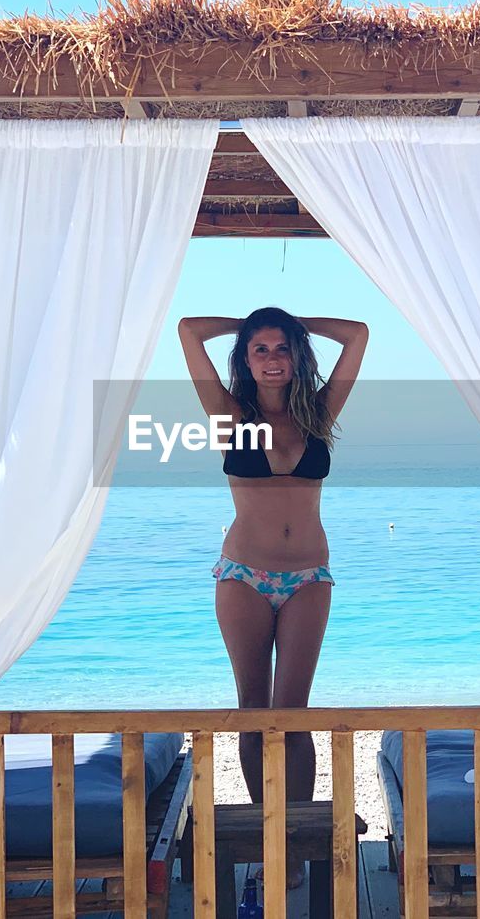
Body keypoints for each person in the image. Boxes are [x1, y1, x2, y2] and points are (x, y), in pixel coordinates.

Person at [178, 307, 368, 882]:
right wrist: (253, 320)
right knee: (253, 712)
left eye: (282, 347)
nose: (271, 357)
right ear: (244, 359)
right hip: (244, 577)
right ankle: (267, 841)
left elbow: (358, 335)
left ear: (297, 355)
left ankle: (297, 839)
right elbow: (189, 330)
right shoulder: (229, 414)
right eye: (259, 348)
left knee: (293, 715)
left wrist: (290, 320)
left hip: (309, 576)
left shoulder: (318, 415)